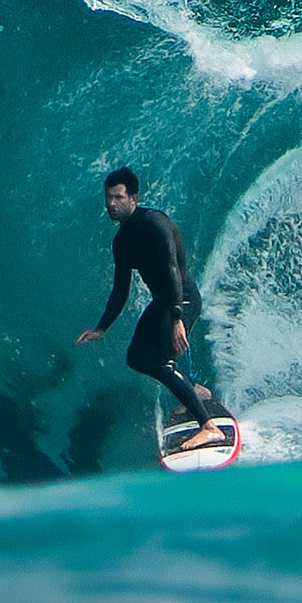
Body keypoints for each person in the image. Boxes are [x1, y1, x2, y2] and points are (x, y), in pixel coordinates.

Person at [75, 167, 227, 451]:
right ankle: (193, 390)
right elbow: (121, 289)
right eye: (108, 197)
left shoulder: (155, 224)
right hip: (163, 301)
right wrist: (101, 328)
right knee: (136, 358)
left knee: (159, 362)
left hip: (181, 299)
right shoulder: (122, 241)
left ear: (134, 197)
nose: (111, 203)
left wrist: (176, 318)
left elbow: (171, 269)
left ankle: (209, 427)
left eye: (118, 197)